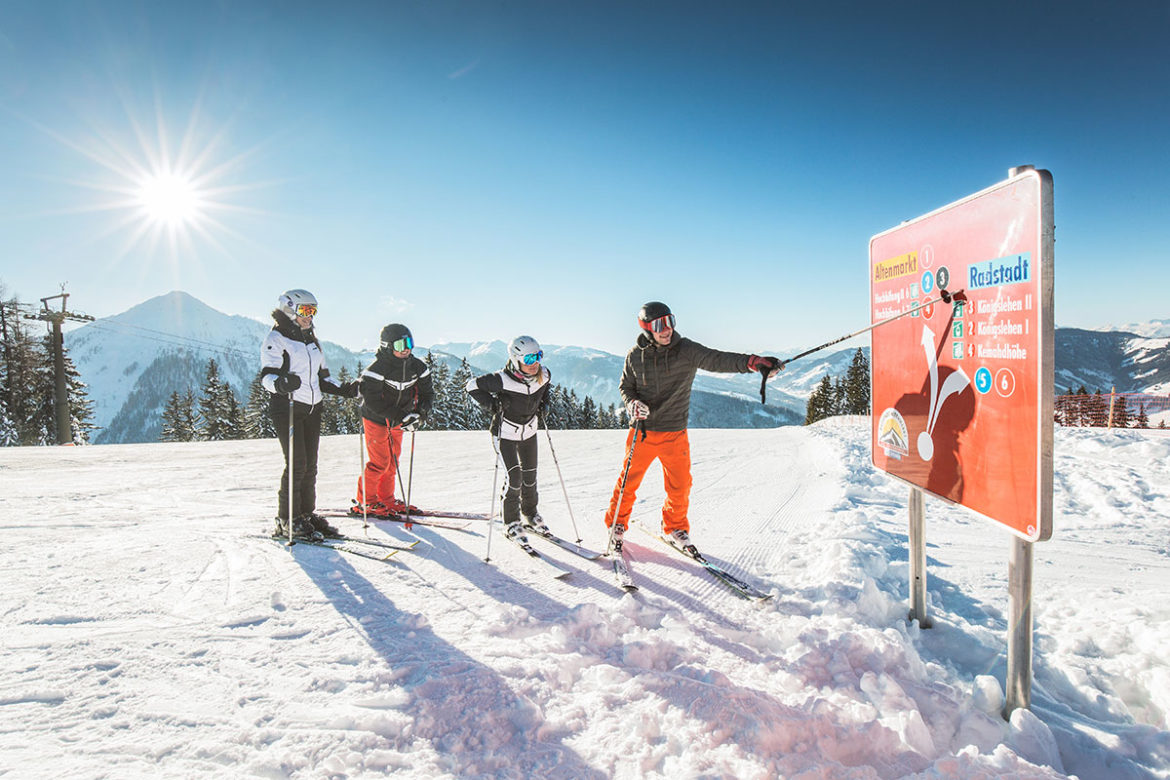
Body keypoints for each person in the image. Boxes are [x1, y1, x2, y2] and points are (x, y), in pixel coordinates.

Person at [603, 301, 781, 554]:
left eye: (670, 322)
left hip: (674, 432)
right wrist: (632, 403)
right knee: (628, 483)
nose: (666, 330)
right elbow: (626, 387)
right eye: (659, 325)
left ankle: (675, 527)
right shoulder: (635, 356)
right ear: (646, 328)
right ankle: (616, 524)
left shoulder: (686, 350)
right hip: (641, 433)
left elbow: (718, 359)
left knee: (680, 485)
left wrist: (753, 362)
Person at [260, 289, 357, 540]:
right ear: (290, 310)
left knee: (311, 466)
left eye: (313, 310)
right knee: (296, 464)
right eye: (305, 310)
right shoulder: (277, 338)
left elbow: (323, 378)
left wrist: (346, 390)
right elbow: (267, 377)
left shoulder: (312, 340)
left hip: (313, 408)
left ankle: (305, 514)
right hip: (288, 407)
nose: (310, 316)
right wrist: (281, 384)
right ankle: (287, 520)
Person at [466, 336, 553, 545]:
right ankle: (511, 522)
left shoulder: (545, 375)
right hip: (505, 434)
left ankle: (530, 514)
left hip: (529, 433)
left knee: (530, 477)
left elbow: (546, 391)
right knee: (514, 479)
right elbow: (471, 386)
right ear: (516, 359)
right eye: (530, 358)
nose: (535, 363)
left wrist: (545, 405)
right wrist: (494, 404)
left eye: (538, 356)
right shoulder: (501, 379)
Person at [352, 323, 433, 517]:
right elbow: (372, 401)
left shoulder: (418, 367)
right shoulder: (377, 369)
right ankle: (365, 502)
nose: (406, 348)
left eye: (409, 343)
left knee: (392, 461)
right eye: (399, 345)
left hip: (399, 420)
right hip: (376, 419)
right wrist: (402, 416)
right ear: (387, 346)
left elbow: (427, 393)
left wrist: (419, 413)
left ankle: (386, 499)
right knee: (380, 462)